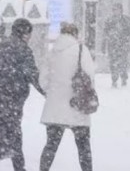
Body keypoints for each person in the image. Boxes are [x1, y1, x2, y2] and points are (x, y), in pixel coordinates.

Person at [0, 18, 44, 171]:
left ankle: (17, 167)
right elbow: (33, 75)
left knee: (8, 135)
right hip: (12, 100)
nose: (29, 37)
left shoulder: (1, 45)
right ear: (24, 33)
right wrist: (46, 92)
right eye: (29, 33)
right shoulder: (23, 49)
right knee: (10, 136)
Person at [39, 22, 95, 171]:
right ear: (75, 34)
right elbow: (90, 77)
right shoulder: (82, 50)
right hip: (77, 104)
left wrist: (53, 93)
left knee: (51, 146)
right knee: (83, 148)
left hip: (55, 107)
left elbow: (42, 80)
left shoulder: (52, 53)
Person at [102, 3, 130, 88]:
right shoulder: (109, 21)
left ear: (120, 10)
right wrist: (104, 45)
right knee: (113, 63)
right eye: (113, 10)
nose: (114, 11)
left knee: (123, 62)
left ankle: (124, 79)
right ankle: (114, 79)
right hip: (112, 45)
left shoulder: (127, 20)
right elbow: (105, 34)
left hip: (123, 45)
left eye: (116, 9)